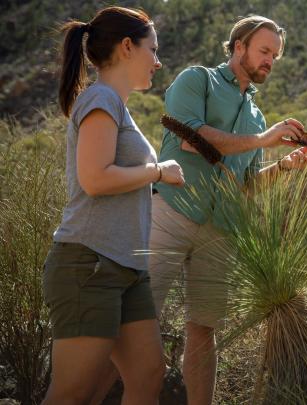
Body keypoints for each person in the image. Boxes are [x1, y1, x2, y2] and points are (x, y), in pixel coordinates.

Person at [149, 15, 307, 404]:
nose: (269, 61)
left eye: (275, 55)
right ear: (238, 45)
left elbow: (246, 187)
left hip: (220, 231)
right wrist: (263, 138)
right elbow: (192, 139)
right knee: (139, 316)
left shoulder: (256, 115)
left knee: (204, 331)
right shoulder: (198, 80)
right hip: (172, 212)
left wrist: (285, 165)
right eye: (263, 51)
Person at [42, 7, 185, 404]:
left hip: (126, 268)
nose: (158, 61)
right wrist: (157, 173)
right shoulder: (101, 99)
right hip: (90, 264)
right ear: (127, 47)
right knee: (73, 393)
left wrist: (155, 180)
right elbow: (96, 179)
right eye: (152, 50)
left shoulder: (117, 106)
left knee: (147, 374)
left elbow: (118, 181)